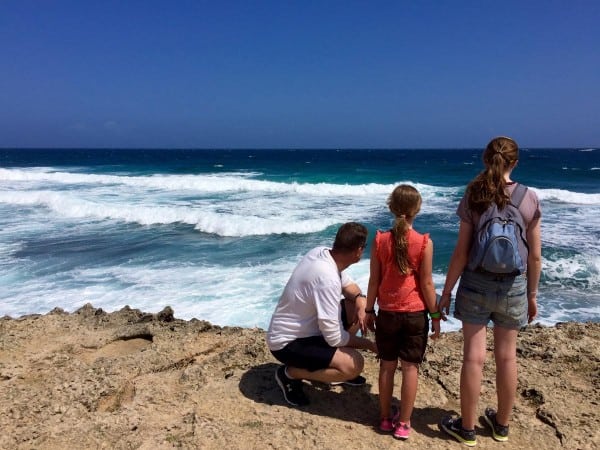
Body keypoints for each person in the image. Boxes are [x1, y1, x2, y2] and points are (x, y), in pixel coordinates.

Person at [438, 136, 542, 446]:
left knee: (473, 358)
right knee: (507, 358)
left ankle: (467, 429)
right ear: (515, 162)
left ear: (485, 160)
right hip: (513, 285)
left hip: (475, 282)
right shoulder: (528, 197)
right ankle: (501, 426)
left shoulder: (475, 194)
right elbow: (535, 255)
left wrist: (446, 292)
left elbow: (460, 252)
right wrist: (532, 295)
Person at [359, 184, 441, 441]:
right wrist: (436, 316)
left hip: (387, 313)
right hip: (415, 314)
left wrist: (369, 309)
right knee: (410, 369)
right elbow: (427, 284)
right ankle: (404, 423)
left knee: (386, 366)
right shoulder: (424, 242)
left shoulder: (381, 239)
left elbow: (374, 279)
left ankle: (384, 419)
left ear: (391, 207)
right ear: (417, 210)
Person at [266, 222, 378, 407]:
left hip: (309, 332)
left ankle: (331, 368)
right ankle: (289, 374)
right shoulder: (327, 278)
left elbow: (348, 286)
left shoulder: (321, 253)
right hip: (287, 343)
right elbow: (334, 338)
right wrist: (369, 345)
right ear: (358, 251)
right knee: (354, 365)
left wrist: (360, 299)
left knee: (353, 305)